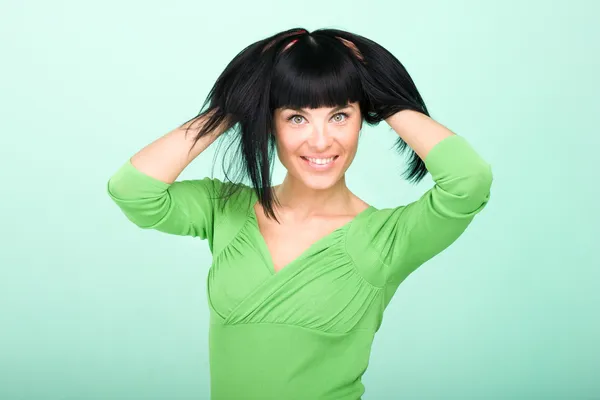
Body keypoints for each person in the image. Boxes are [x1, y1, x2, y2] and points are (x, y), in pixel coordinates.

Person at [107, 27, 493, 400]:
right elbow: (133, 190)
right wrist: (232, 105)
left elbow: (469, 182)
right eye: (297, 117)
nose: (321, 140)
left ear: (363, 119)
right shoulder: (223, 208)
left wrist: (383, 92)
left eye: (340, 115)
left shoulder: (387, 238)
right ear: (270, 123)